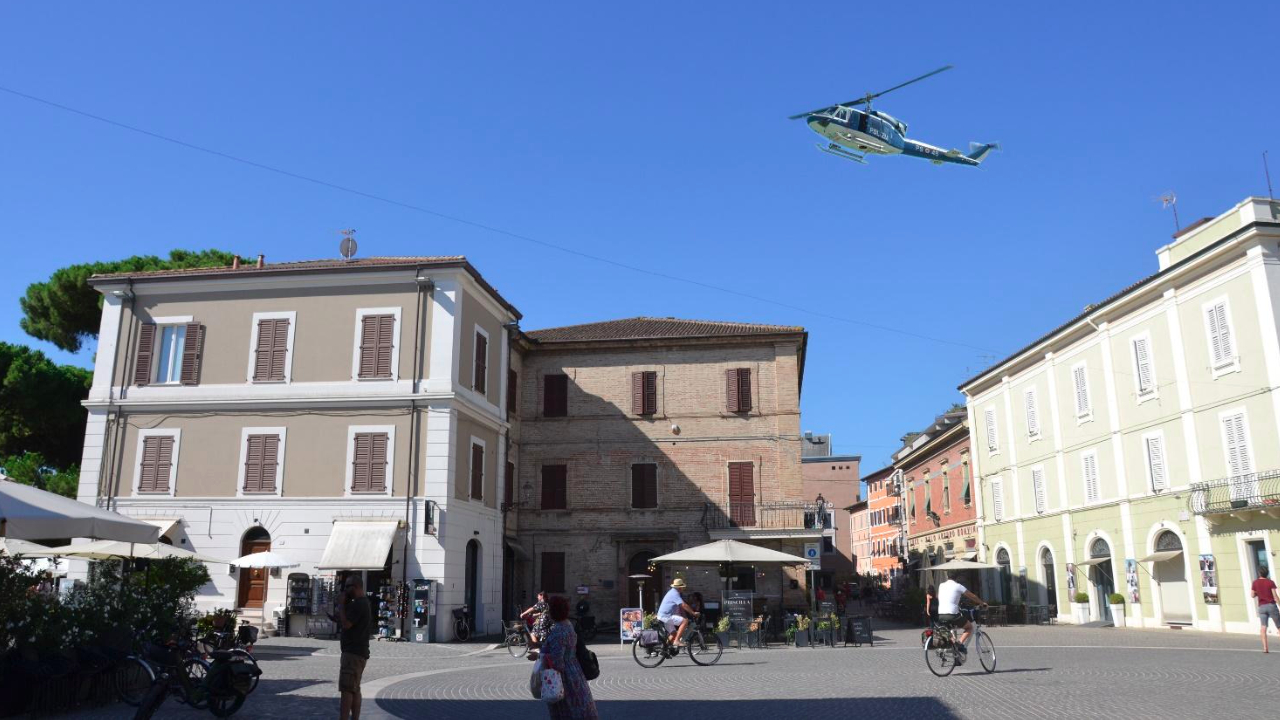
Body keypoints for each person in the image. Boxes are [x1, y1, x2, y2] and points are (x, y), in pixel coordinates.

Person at [540, 595, 599, 720]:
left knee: (567, 711)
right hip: (575, 671)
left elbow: (557, 663)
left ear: (553, 611)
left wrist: (541, 656)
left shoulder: (558, 631)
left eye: (549, 609)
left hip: (565, 679)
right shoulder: (568, 625)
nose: (547, 613)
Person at [336, 576, 371, 720]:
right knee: (355, 689)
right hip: (359, 652)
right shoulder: (361, 603)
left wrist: (341, 605)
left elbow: (347, 624)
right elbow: (348, 620)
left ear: (356, 587)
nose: (345, 591)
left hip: (353, 652)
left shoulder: (359, 604)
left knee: (347, 689)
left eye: (347, 587)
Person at [936, 572, 986, 662]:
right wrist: (982, 603)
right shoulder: (958, 586)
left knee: (949, 631)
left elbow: (939, 597)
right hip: (952, 614)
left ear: (947, 577)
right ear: (957, 578)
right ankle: (959, 643)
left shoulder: (941, 585)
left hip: (941, 615)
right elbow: (972, 596)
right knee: (969, 627)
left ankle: (953, 649)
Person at [657, 578, 697, 647]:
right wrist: (693, 613)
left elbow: (680, 607)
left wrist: (684, 614)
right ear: (679, 588)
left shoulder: (672, 592)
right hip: (666, 616)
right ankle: (677, 641)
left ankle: (664, 649)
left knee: (673, 633)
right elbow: (683, 605)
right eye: (682, 587)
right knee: (685, 621)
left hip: (663, 616)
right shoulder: (675, 593)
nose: (683, 589)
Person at [1252, 566, 1279, 653]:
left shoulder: (1255, 583)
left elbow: (1252, 595)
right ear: (1267, 573)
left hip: (1262, 607)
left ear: (1259, 573)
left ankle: (1265, 648)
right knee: (1279, 626)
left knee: (1263, 627)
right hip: (1271, 606)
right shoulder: (1270, 582)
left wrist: (1258, 593)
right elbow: (1275, 596)